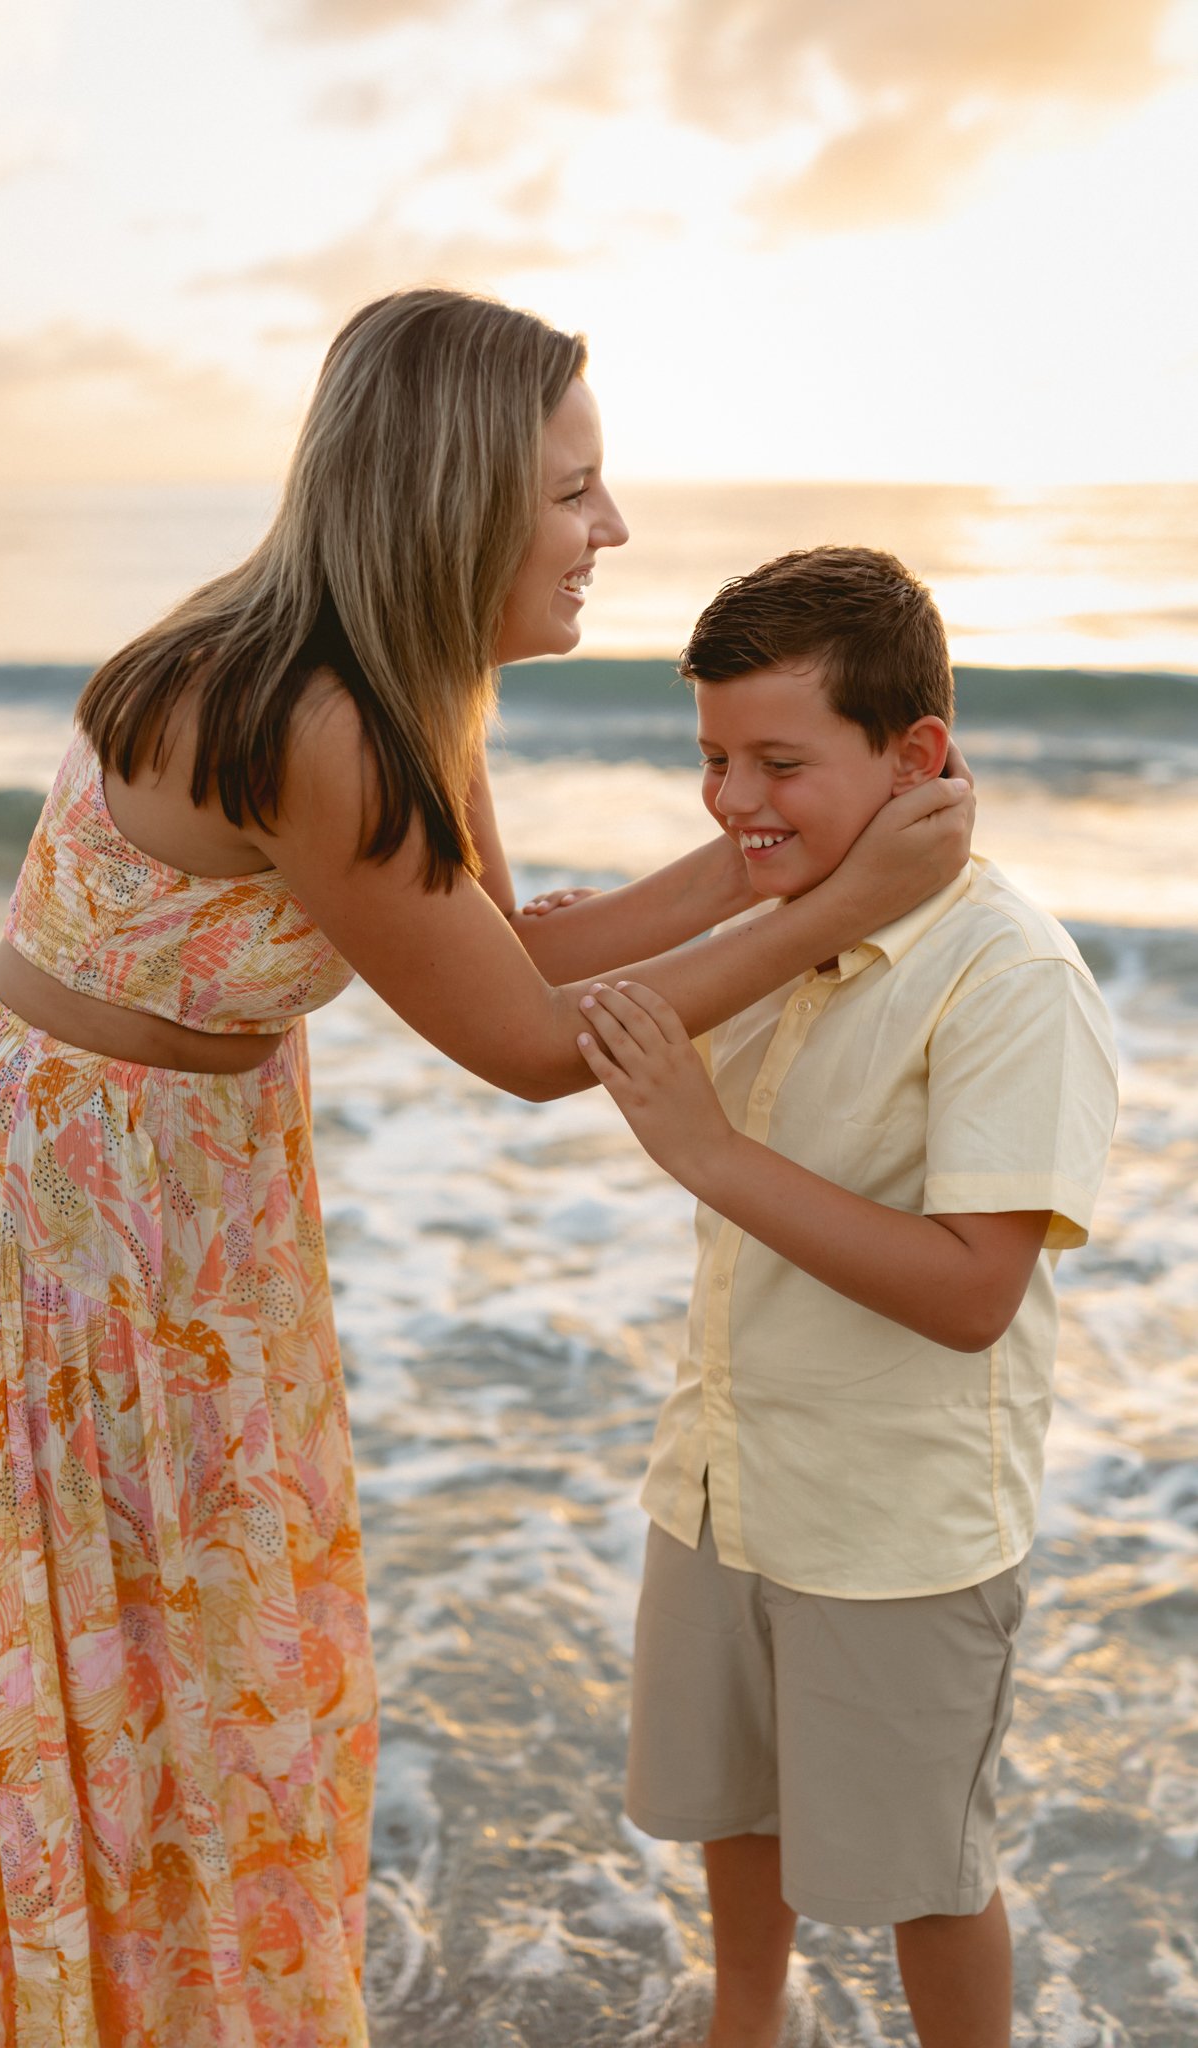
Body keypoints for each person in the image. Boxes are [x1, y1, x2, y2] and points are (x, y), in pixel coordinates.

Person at [0, 298, 975, 2048]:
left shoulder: (400, 682)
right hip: (60, 1208)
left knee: (204, 1661)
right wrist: (840, 905)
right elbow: (530, 1050)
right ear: (458, 500)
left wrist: (765, 843)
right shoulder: (318, 717)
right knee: (125, 1665)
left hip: (162, 1174)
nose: (614, 533)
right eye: (577, 493)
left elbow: (536, 953)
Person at [575, 546, 1119, 2048]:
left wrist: (702, 1146)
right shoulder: (774, 907)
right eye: (709, 759)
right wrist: (747, 848)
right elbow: (526, 977)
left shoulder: (1008, 975)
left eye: (777, 762)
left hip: (894, 1530)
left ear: (913, 756)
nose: (732, 795)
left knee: (923, 1874)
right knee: (732, 1814)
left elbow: (968, 1296)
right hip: (721, 1479)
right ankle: (741, 2026)